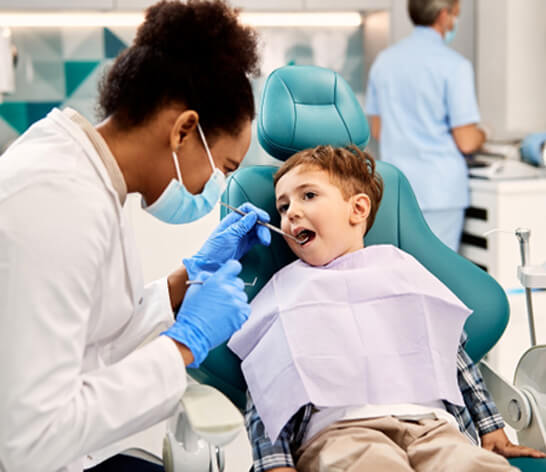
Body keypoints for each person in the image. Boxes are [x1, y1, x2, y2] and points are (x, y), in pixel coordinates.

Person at [0, 1, 271, 471]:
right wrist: (183, 345)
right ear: (184, 129)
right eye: (224, 168)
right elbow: (27, 439)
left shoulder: (91, 176)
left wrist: (184, 280)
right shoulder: (57, 200)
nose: (217, 187)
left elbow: (91, 335)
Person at [228, 145, 545, 472]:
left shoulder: (400, 270)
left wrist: (491, 427)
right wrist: (276, 464)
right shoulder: (286, 290)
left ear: (358, 208)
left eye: (308, 195)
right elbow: (267, 385)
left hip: (432, 427)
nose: (291, 212)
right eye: (283, 206)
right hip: (342, 432)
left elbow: (450, 353)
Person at [365, 0, 488, 252]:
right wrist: (484, 134)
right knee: (437, 274)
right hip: (439, 191)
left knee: (403, 269)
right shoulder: (454, 66)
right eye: (455, 15)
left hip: (396, 188)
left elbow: (378, 130)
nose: (454, 22)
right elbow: (466, 140)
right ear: (443, 16)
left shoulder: (384, 62)